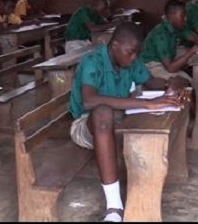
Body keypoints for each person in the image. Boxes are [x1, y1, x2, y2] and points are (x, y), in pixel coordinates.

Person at [69, 22, 188, 222]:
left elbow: (150, 81)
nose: (133, 58)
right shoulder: (92, 61)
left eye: (136, 53)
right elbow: (89, 100)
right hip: (86, 127)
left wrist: (171, 83)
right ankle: (114, 207)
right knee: (103, 113)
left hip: (119, 121)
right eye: (130, 52)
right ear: (114, 46)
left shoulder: (129, 61)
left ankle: (146, 189)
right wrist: (147, 103)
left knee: (149, 123)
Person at [140, 0, 198, 84]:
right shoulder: (161, 34)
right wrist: (192, 51)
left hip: (167, 58)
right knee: (187, 81)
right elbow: (170, 68)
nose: (185, 19)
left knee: (196, 56)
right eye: (182, 15)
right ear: (171, 16)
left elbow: (195, 38)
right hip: (152, 65)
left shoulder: (176, 26)